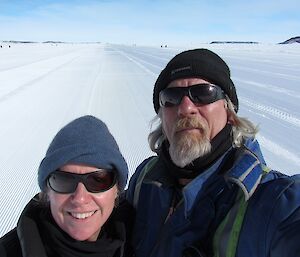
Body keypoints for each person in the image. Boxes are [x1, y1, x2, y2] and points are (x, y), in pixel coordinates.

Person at [126, 49, 300, 257]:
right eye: (171, 97)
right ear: (162, 118)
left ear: (229, 111)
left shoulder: (273, 201)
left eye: (203, 93)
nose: (185, 108)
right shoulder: (145, 180)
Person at [0, 115, 134, 257]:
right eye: (63, 180)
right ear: (47, 192)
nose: (80, 198)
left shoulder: (138, 243)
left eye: (98, 180)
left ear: (116, 191)